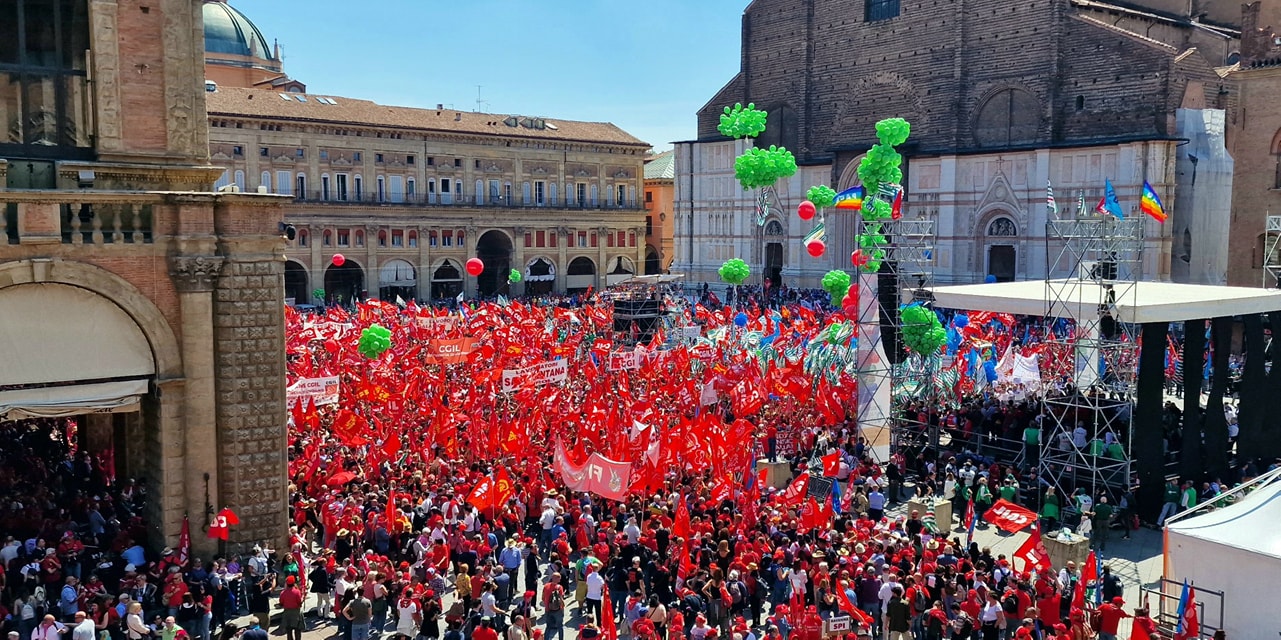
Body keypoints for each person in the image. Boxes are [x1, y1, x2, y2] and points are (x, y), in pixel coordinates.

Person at [279, 576, 304, 640]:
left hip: (287, 613)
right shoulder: (297, 592)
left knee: (289, 632)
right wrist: (303, 598)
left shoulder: (283, 593)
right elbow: (299, 602)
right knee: (297, 631)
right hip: (296, 613)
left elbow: (281, 603)